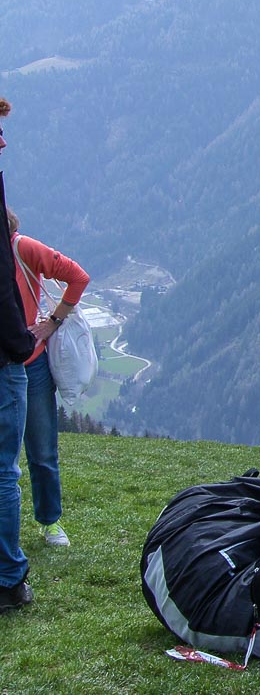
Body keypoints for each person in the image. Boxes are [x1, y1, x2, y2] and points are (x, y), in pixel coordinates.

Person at [9, 207, 90, 547]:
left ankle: (50, 521)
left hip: (31, 363)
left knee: (41, 450)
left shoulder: (22, 248)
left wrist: (52, 323)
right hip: (12, 362)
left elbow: (78, 277)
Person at [0, 99, 39, 613]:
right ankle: (8, 577)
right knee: (4, 471)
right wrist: (21, 343)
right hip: (4, 358)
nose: (3, 140)